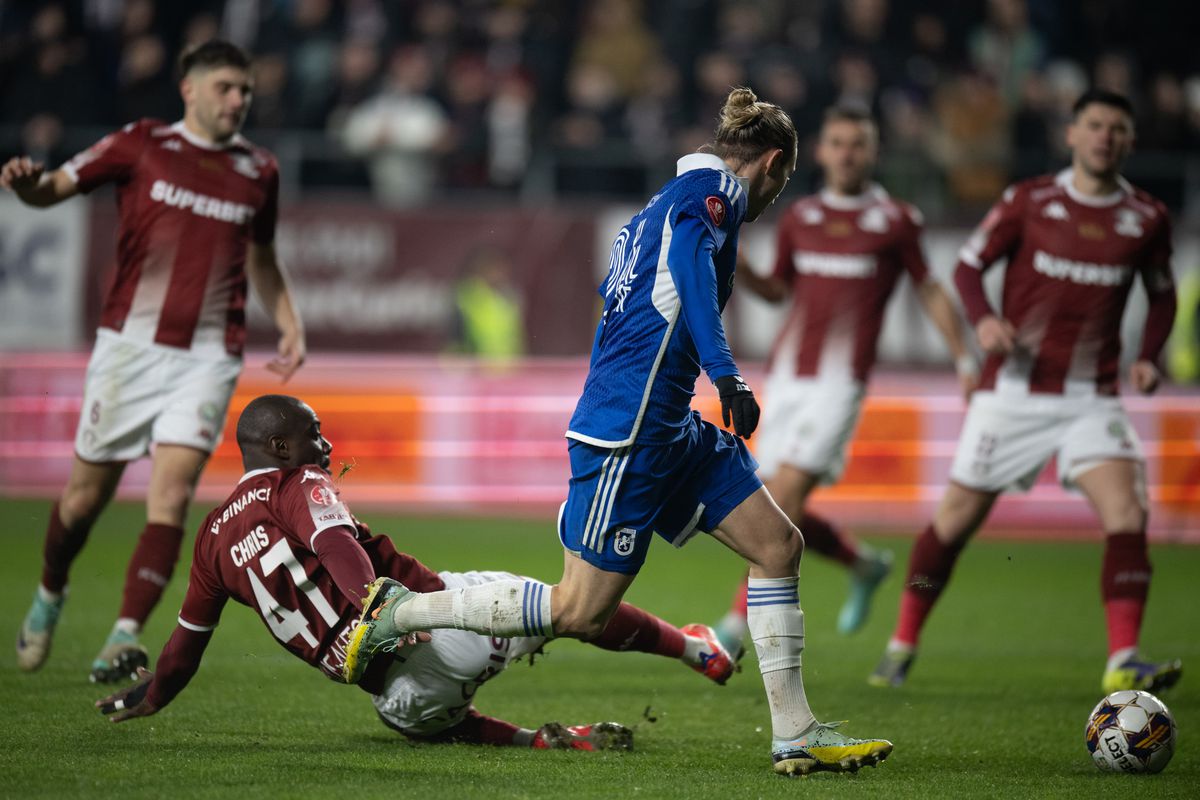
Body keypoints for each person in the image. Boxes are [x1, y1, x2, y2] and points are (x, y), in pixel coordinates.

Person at [343, 87, 894, 777]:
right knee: (579, 612)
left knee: (778, 545)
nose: (776, 197)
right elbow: (689, 271)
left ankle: (796, 734)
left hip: (667, 425)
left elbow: (622, 303)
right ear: (775, 163)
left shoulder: (658, 206)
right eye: (782, 182)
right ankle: (400, 614)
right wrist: (726, 374)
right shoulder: (712, 199)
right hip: (628, 433)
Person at [94, 394, 736, 752]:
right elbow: (335, 542)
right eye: (315, 435)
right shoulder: (294, 482)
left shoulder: (211, 539)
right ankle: (694, 649)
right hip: (441, 623)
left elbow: (183, 649)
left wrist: (150, 697)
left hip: (404, 701)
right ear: (281, 448)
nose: (326, 447)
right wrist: (378, 605)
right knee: (574, 607)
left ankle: (536, 742)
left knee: (420, 720)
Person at [6, 40, 306, 683]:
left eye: (245, 90)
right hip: (130, 348)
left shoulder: (259, 169)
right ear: (189, 89)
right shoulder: (141, 143)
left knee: (170, 494)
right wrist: (29, 188)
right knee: (84, 499)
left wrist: (288, 321)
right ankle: (51, 590)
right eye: (226, 87)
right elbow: (53, 187)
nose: (238, 100)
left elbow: (262, 256)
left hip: (208, 357)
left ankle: (123, 635)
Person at [868, 89, 1182, 693]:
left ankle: (1123, 658)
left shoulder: (1146, 217)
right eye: (1095, 125)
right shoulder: (1029, 200)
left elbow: (1162, 294)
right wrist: (984, 320)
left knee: (1129, 512)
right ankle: (902, 643)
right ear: (1071, 134)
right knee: (952, 525)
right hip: (1012, 392)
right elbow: (967, 267)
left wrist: (1148, 356)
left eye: (1117, 128)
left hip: (1091, 396)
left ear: (1130, 141)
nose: (1105, 136)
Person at [711, 106, 977, 654]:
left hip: (841, 384)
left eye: (858, 144)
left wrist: (964, 356)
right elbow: (779, 292)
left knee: (783, 496)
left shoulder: (896, 219)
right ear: (821, 151)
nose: (847, 154)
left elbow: (928, 288)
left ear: (873, 152)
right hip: (789, 376)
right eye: (837, 143)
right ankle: (862, 563)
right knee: (776, 501)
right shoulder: (801, 216)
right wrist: (742, 263)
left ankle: (733, 627)